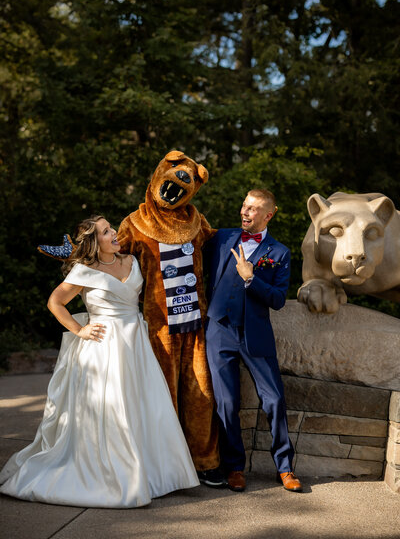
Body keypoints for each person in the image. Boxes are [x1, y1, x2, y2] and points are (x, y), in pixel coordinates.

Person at [0, 215, 199, 508]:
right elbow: (55, 302)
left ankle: (155, 474)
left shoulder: (131, 261)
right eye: (107, 232)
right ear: (95, 242)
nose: (114, 233)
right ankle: (116, 478)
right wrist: (80, 329)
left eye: (111, 228)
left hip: (135, 345)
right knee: (113, 410)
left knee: (145, 407)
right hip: (104, 348)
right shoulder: (84, 270)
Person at [204, 189, 302, 493]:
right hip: (219, 331)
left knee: (274, 400)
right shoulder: (221, 238)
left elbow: (277, 300)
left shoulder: (280, 252)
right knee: (226, 402)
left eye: (254, 209)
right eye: (245, 206)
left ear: (268, 215)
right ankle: (234, 467)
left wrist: (250, 278)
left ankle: (284, 468)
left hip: (255, 335)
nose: (245, 212)